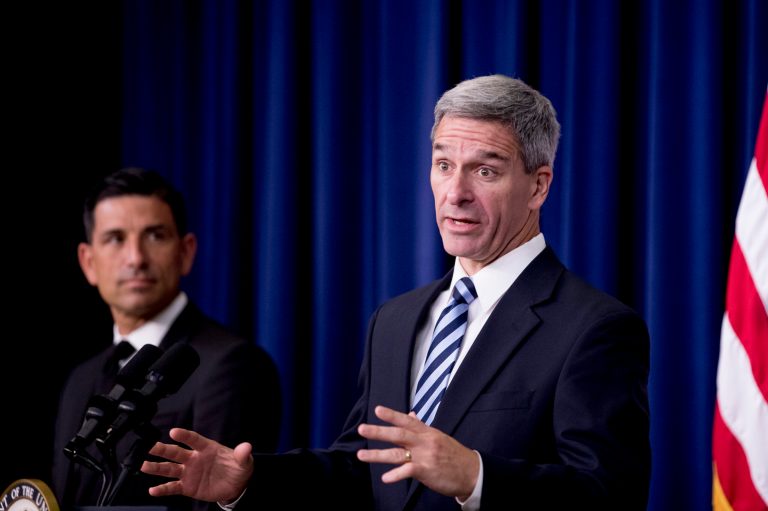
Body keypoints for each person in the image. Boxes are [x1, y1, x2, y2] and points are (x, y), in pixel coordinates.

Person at [141, 75, 651, 510]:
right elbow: (359, 470)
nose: (456, 193)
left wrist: (475, 477)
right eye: (444, 164)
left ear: (539, 186)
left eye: (486, 170)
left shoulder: (594, 328)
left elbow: (611, 494)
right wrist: (249, 481)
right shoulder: (397, 319)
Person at [51, 167, 282, 511]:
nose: (136, 258)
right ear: (88, 262)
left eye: (155, 235)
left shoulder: (232, 364)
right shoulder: (80, 377)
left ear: (186, 252)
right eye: (115, 238)